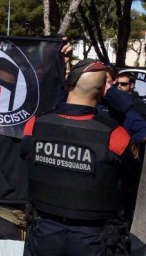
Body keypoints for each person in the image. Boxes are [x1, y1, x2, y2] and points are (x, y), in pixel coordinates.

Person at [22, 59, 140, 255]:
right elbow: (130, 181)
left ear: (68, 85)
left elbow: (26, 158)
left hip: (43, 233)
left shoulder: (35, 125)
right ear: (104, 91)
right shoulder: (115, 135)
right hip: (94, 240)